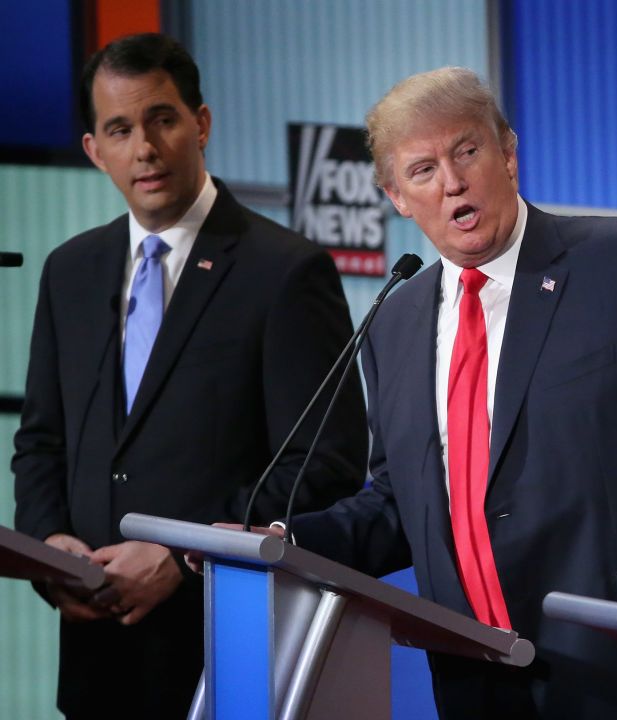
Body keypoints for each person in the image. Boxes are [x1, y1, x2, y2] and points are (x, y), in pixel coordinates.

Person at [271, 66, 617, 717]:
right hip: (480, 681)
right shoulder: (396, 320)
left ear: (509, 154)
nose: (453, 182)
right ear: (396, 196)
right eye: (423, 170)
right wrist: (283, 542)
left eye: (467, 152)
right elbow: (401, 504)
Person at [11, 33, 368, 718]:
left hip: (223, 660)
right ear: (95, 150)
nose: (143, 147)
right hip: (94, 662)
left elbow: (322, 464)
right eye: (119, 129)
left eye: (162, 119)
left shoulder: (285, 272)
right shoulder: (69, 271)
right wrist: (50, 549)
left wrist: (182, 560)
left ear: (200, 123)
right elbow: (41, 443)